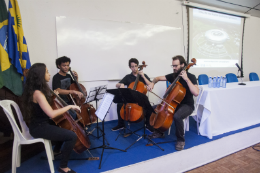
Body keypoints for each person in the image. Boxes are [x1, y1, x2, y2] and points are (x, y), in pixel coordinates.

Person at [22, 63, 80, 173]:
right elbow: (52, 114)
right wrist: (69, 106)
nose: (49, 74)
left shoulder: (36, 90)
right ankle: (63, 167)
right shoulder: (38, 93)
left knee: (63, 126)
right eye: (47, 72)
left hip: (40, 123)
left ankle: (57, 150)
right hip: (39, 127)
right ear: (40, 75)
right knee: (72, 136)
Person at [148, 55, 199, 151]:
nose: (174, 68)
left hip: (187, 105)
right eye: (173, 66)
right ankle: (159, 131)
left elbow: (196, 93)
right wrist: (152, 83)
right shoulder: (174, 76)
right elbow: (157, 78)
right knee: (153, 108)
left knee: (177, 116)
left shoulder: (191, 77)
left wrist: (186, 79)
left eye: (176, 66)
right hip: (173, 103)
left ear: (183, 65)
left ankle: (181, 140)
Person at [111, 58, 154, 132]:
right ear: (130, 67)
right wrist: (121, 84)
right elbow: (116, 84)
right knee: (119, 104)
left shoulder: (143, 75)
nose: (134, 68)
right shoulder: (128, 77)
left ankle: (148, 125)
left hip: (140, 98)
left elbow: (150, 84)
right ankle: (121, 124)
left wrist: (143, 76)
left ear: (138, 66)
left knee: (148, 105)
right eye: (132, 67)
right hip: (130, 98)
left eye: (135, 66)